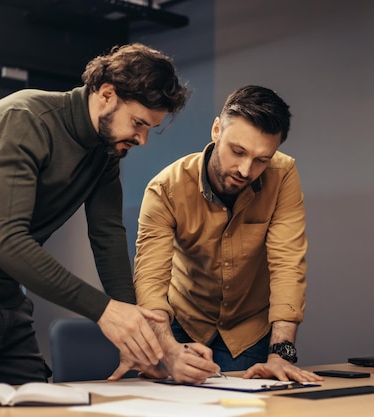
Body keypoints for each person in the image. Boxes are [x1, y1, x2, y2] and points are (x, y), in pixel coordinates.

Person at [0, 43, 189, 387]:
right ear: (107, 95)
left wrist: (139, 336)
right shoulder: (26, 119)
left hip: (3, 299)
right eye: (138, 123)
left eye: (150, 127)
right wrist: (106, 311)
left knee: (37, 403)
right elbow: (6, 242)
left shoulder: (105, 153)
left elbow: (107, 235)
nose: (143, 139)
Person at [115, 85, 323, 384]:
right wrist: (166, 349)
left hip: (247, 331)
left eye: (262, 159)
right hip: (181, 325)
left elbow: (287, 265)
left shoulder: (283, 174)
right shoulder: (165, 189)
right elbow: (150, 280)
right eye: (237, 151)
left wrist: (282, 352)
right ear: (216, 130)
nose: (246, 169)